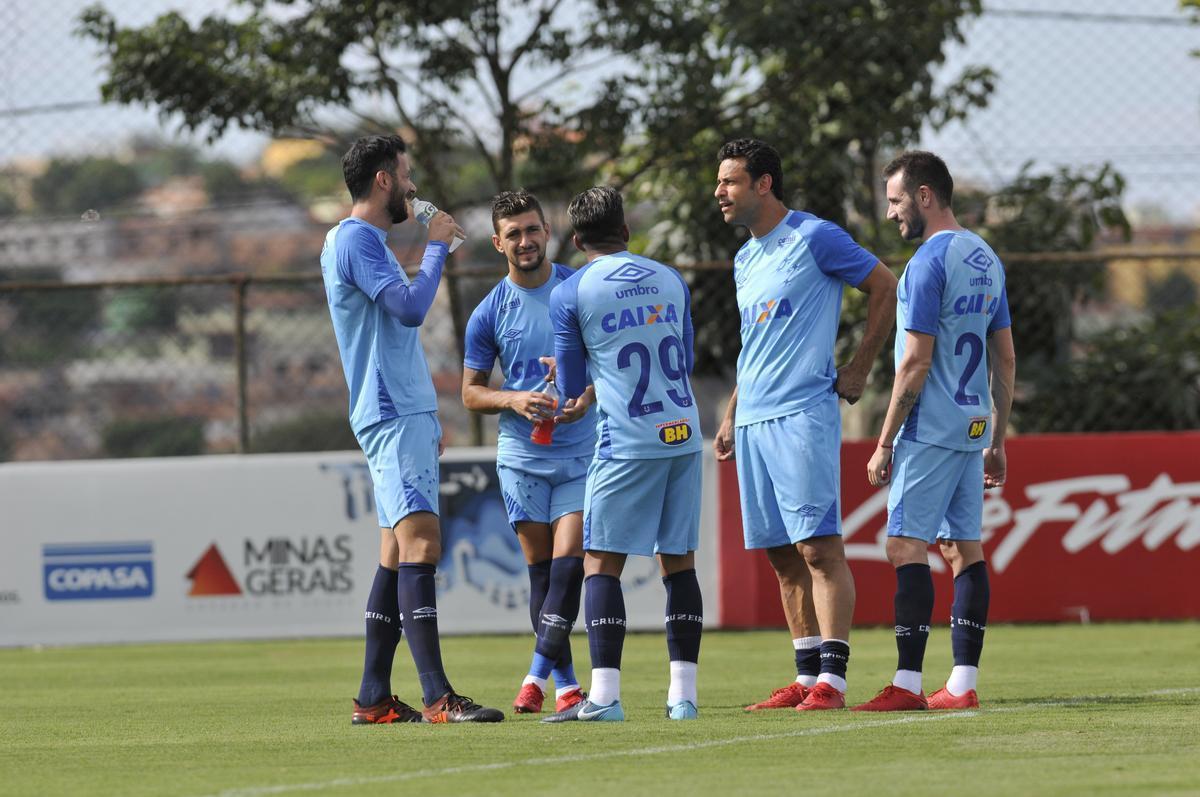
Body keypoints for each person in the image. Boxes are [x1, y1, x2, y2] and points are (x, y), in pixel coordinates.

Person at [321, 134, 503, 724]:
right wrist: (437, 248)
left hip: (402, 411)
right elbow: (410, 308)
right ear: (383, 180)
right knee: (422, 541)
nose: (412, 185)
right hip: (391, 411)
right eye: (405, 174)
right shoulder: (356, 239)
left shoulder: (356, 242)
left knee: (397, 551)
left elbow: (393, 327)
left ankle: (373, 696)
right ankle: (437, 696)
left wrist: (426, 414)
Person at [712, 138, 897, 711]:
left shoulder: (815, 236)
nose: (719, 192)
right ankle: (806, 673)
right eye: (719, 182)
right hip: (753, 421)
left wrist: (860, 366)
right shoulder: (744, 258)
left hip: (801, 416)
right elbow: (756, 345)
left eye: (729, 181)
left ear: (763, 184)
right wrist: (731, 412)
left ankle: (833, 683)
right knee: (781, 554)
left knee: (818, 548)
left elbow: (886, 285)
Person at [853, 151, 1015, 712]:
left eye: (896, 200)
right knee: (963, 549)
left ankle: (906, 685)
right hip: (971, 428)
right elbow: (1005, 359)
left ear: (925, 196)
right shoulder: (987, 257)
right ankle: (962, 685)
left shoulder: (926, 263)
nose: (891, 213)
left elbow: (915, 362)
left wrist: (883, 442)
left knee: (903, 545)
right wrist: (997, 440)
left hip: (929, 429)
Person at [542, 186, 705, 723]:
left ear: (576, 240)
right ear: (627, 230)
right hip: (682, 433)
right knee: (678, 561)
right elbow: (685, 357)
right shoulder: (670, 278)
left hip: (627, 441)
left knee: (600, 563)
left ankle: (605, 697)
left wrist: (580, 378)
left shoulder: (571, 291)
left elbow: (570, 386)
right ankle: (683, 698)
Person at [461, 189, 595, 715]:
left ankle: (534, 676)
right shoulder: (488, 312)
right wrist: (513, 399)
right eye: (513, 234)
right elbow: (471, 393)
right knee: (541, 571)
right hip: (522, 456)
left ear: (547, 231)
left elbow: (606, 363)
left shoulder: (578, 289)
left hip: (580, 451)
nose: (525, 241)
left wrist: (586, 397)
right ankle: (567, 686)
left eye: (532, 229)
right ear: (498, 243)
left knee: (568, 565)